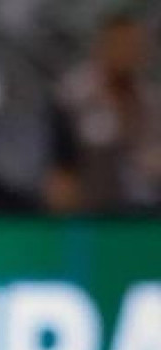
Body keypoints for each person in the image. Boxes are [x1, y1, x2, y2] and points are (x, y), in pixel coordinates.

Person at [45, 10, 161, 214]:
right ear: (103, 46)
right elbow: (61, 169)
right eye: (121, 44)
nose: (128, 53)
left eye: (135, 45)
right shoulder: (73, 97)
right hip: (90, 215)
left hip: (143, 215)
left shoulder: (151, 101)